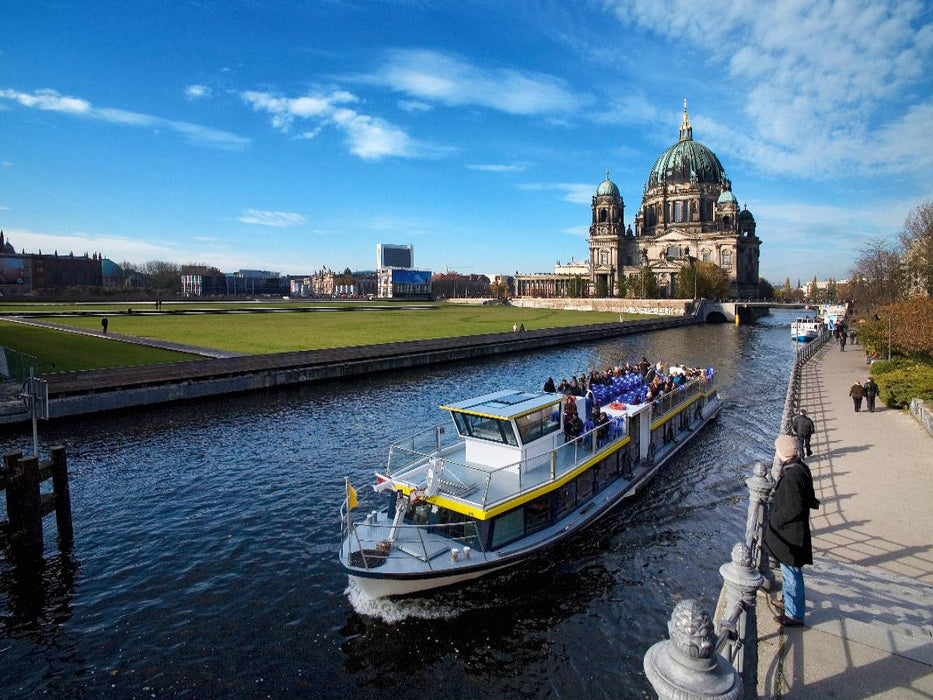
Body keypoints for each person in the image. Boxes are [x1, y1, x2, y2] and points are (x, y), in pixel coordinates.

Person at [765, 434, 820, 627]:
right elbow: (809, 497)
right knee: (789, 571)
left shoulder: (791, 475)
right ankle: (788, 603)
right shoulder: (800, 467)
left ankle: (794, 615)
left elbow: (793, 507)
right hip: (794, 532)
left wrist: (772, 521)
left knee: (791, 573)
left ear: (782, 452)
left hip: (791, 534)